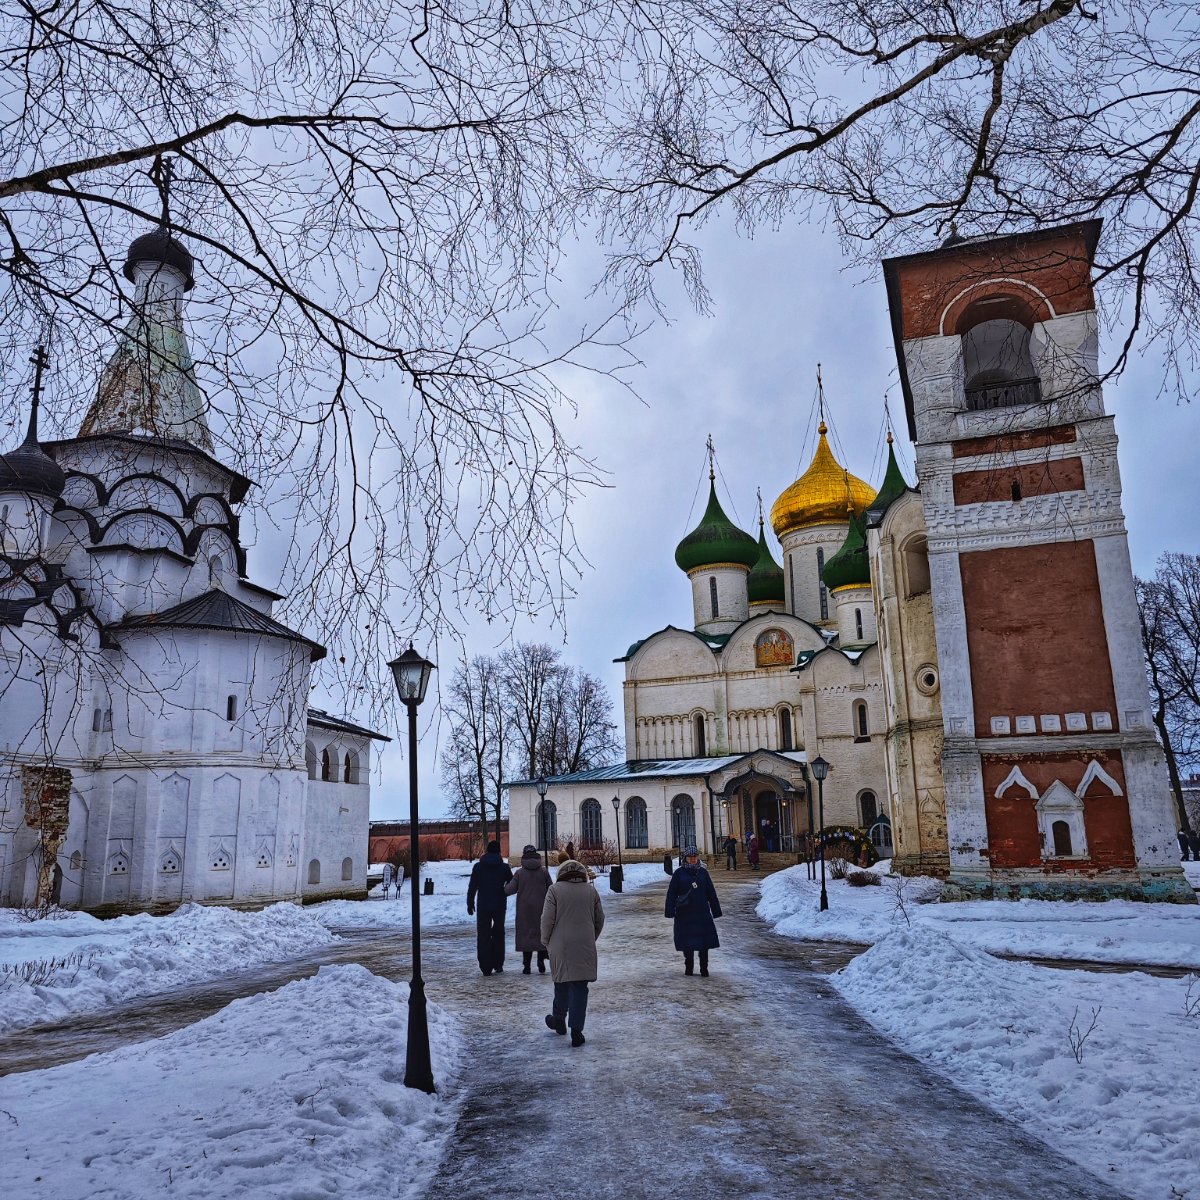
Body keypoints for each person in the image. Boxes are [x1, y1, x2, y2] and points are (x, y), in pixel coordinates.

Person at [541, 857, 605, 1047]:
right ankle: (576, 1031)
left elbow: (547, 920)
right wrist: (590, 937)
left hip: (560, 945)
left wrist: (546, 942)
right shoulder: (591, 891)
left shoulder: (554, 890)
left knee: (561, 982)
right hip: (584, 944)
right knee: (579, 987)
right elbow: (599, 919)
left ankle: (559, 1020)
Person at [665, 846, 722, 976]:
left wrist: (716, 910)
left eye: (695, 856)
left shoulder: (703, 873)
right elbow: (672, 893)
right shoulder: (679, 873)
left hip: (702, 913)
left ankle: (704, 968)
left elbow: (711, 893)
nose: (693, 859)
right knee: (688, 942)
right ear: (685, 858)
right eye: (690, 857)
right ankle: (689, 967)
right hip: (685, 913)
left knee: (704, 943)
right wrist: (669, 909)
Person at [466, 840, 514, 976]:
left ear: (487, 851)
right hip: (499, 904)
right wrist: (504, 890)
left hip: (483, 906)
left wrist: (470, 903)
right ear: (499, 851)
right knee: (499, 933)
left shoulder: (478, 867)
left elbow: (473, 886)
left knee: (483, 935)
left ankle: (485, 967)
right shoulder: (504, 868)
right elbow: (512, 883)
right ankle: (498, 964)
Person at [505, 843, 553, 973]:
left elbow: (509, 890)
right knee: (541, 934)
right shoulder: (544, 871)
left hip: (524, 910)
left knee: (526, 936)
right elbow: (551, 889)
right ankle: (541, 961)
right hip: (542, 908)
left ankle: (526, 966)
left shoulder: (520, 873)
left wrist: (503, 887)